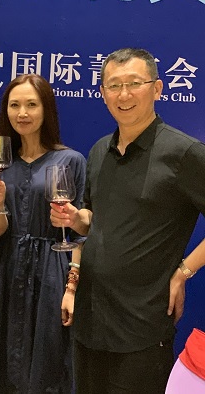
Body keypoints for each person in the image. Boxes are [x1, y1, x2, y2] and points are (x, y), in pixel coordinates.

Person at [50, 48, 205, 393]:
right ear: (102, 93)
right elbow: (92, 219)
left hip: (141, 326)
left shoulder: (184, 152)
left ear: (157, 89)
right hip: (90, 320)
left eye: (134, 83)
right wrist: (76, 218)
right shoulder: (99, 150)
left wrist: (184, 271)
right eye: (114, 85)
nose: (124, 95)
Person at [0, 74, 86, 393]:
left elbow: (82, 233)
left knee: (49, 362)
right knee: (7, 361)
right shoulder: (1, 163)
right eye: (15, 105)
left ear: (46, 109)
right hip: (9, 269)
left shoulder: (71, 160)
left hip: (53, 270)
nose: (22, 113)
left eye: (31, 105)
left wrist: (71, 287)